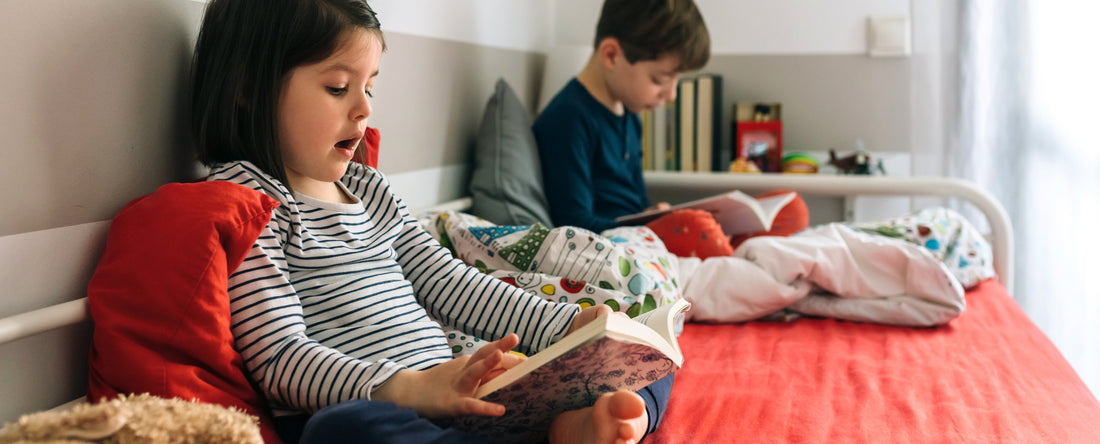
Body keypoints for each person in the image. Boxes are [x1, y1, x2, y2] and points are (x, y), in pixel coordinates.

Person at [189, 1, 671, 443]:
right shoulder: (250, 205)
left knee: (647, 359)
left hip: (454, 391)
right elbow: (281, 360)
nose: (365, 108)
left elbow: (452, 283)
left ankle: (596, 422)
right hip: (377, 405)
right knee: (345, 430)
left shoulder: (368, 189)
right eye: (338, 87)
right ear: (250, 90)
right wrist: (411, 388)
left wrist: (567, 328)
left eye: (369, 86)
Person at [533, 0, 711, 233]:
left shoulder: (630, 116)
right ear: (611, 55)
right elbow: (574, 225)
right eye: (660, 79)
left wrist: (653, 215)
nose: (671, 95)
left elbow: (633, 204)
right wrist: (653, 226)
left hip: (638, 243)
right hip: (609, 251)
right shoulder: (568, 120)